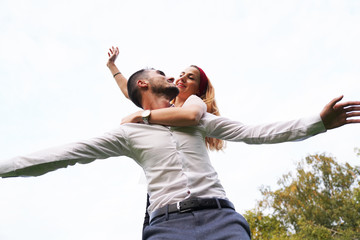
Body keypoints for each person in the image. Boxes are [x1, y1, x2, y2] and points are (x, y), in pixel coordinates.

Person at [1, 68, 359, 239]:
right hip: (168, 228)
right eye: (160, 71)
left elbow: (256, 133)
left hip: (223, 221)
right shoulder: (128, 133)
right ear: (143, 84)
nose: (170, 74)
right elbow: (63, 154)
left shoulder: (197, 119)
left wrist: (319, 122)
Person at [106, 46, 226, 234]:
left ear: (196, 90)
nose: (181, 79)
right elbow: (131, 91)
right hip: (161, 188)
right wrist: (112, 66)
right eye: (181, 74)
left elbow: (190, 116)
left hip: (192, 192)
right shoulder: (163, 104)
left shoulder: (192, 109)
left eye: (190, 78)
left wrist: (142, 115)